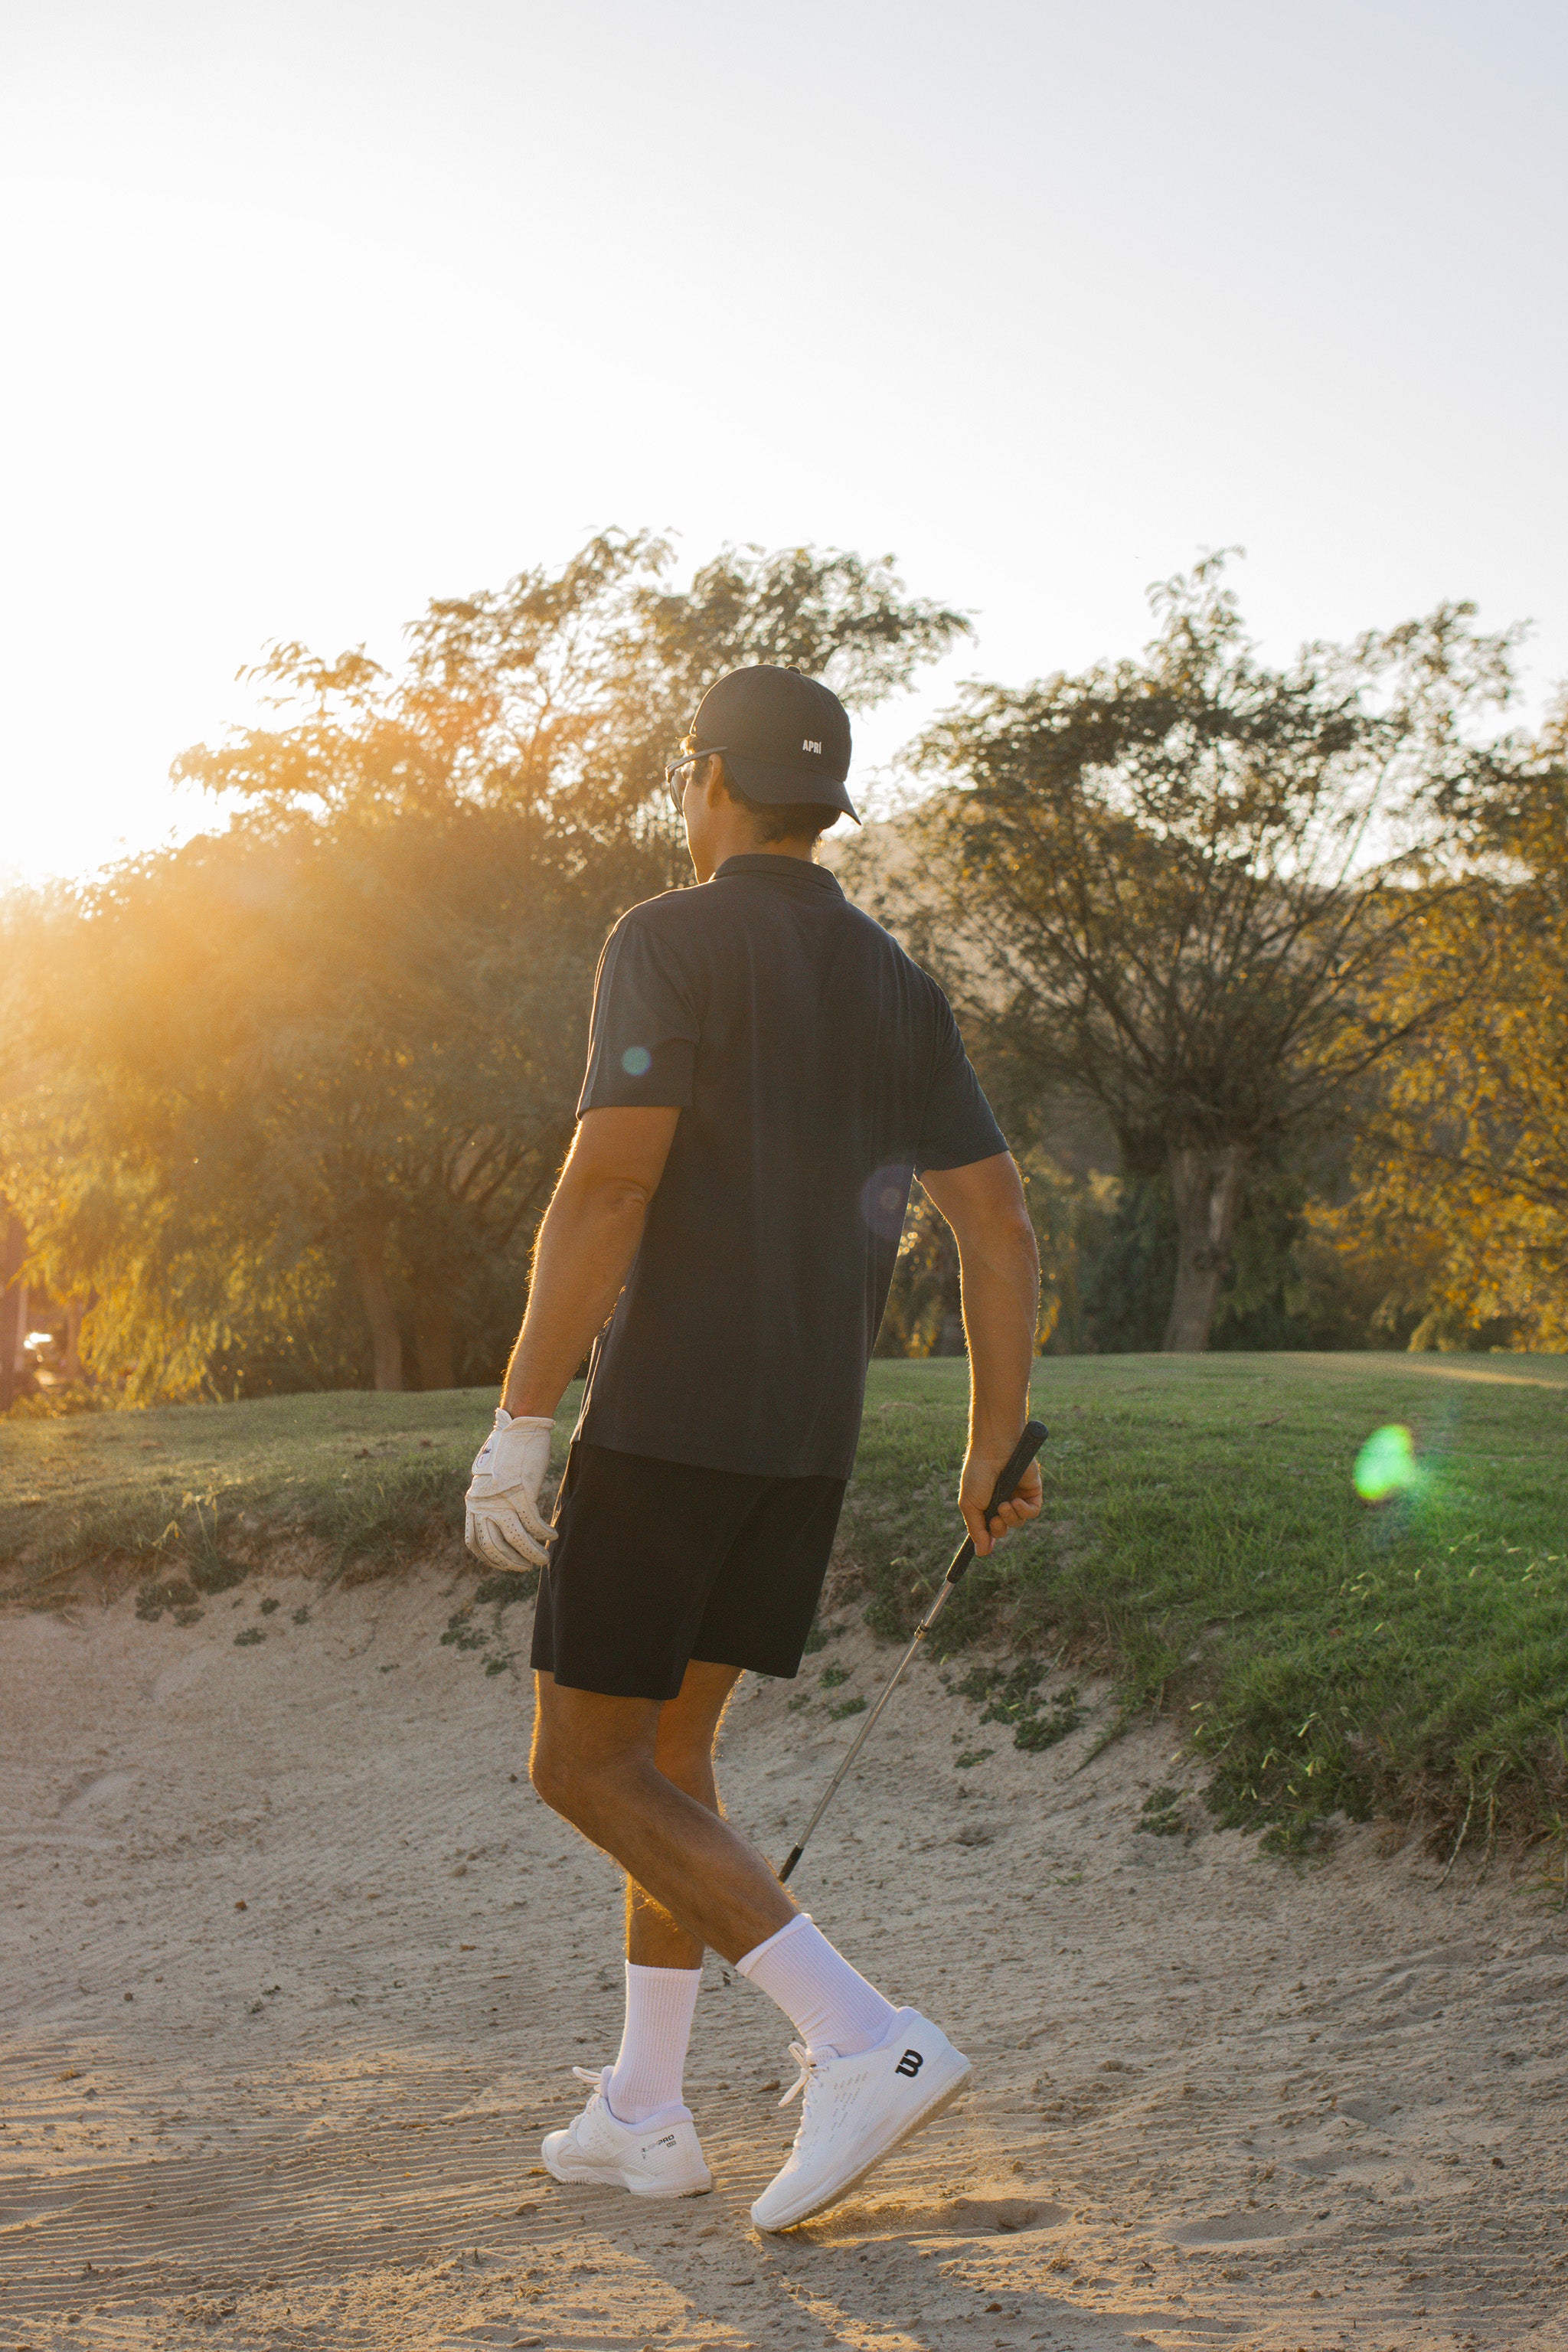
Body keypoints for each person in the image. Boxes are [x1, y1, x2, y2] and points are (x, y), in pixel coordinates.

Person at [464, 663, 1042, 2232]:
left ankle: (858, 2038)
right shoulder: (893, 979)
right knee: (672, 1759)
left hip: (670, 1422)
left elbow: (605, 1188)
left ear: (703, 779)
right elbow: (995, 1224)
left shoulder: (665, 938)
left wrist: (522, 1416)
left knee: (579, 1763)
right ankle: (645, 2112)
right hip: (805, 1436)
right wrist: (993, 1443)